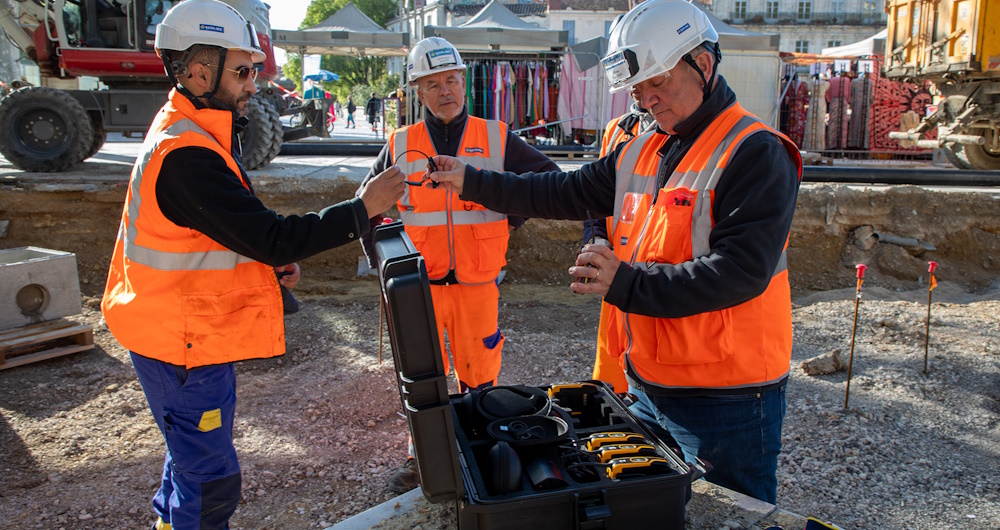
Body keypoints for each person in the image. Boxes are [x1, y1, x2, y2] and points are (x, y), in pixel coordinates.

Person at [426, 0, 801, 504]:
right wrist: (472, 180)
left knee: (730, 514)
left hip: (727, 400)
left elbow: (740, 272)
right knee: (654, 511)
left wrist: (625, 284)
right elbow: (563, 192)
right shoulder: (646, 145)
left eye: (657, 84)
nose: (645, 101)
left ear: (703, 65)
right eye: (637, 90)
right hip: (648, 383)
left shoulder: (755, 151)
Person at [99, 1, 404, 528]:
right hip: (181, 343)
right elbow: (271, 236)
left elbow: (223, 234)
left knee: (188, 458)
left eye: (254, 72)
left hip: (180, 333)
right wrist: (362, 209)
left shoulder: (191, 129)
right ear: (198, 70)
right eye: (242, 71)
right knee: (210, 481)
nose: (252, 85)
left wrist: (267, 265)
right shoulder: (188, 154)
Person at [358, 36, 559, 494]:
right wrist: (383, 266)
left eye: (452, 79)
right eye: (433, 84)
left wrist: (508, 220)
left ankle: (484, 448)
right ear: (418, 92)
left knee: (481, 373)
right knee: (423, 378)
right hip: (420, 288)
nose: (446, 90)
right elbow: (364, 208)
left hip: (476, 284)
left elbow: (548, 183)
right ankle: (421, 460)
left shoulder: (496, 137)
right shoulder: (401, 144)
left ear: (463, 82)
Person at [587, 99, 655, 393]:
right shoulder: (617, 130)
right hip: (616, 275)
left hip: (657, 279)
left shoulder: (688, 134)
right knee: (611, 375)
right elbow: (596, 197)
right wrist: (597, 236)